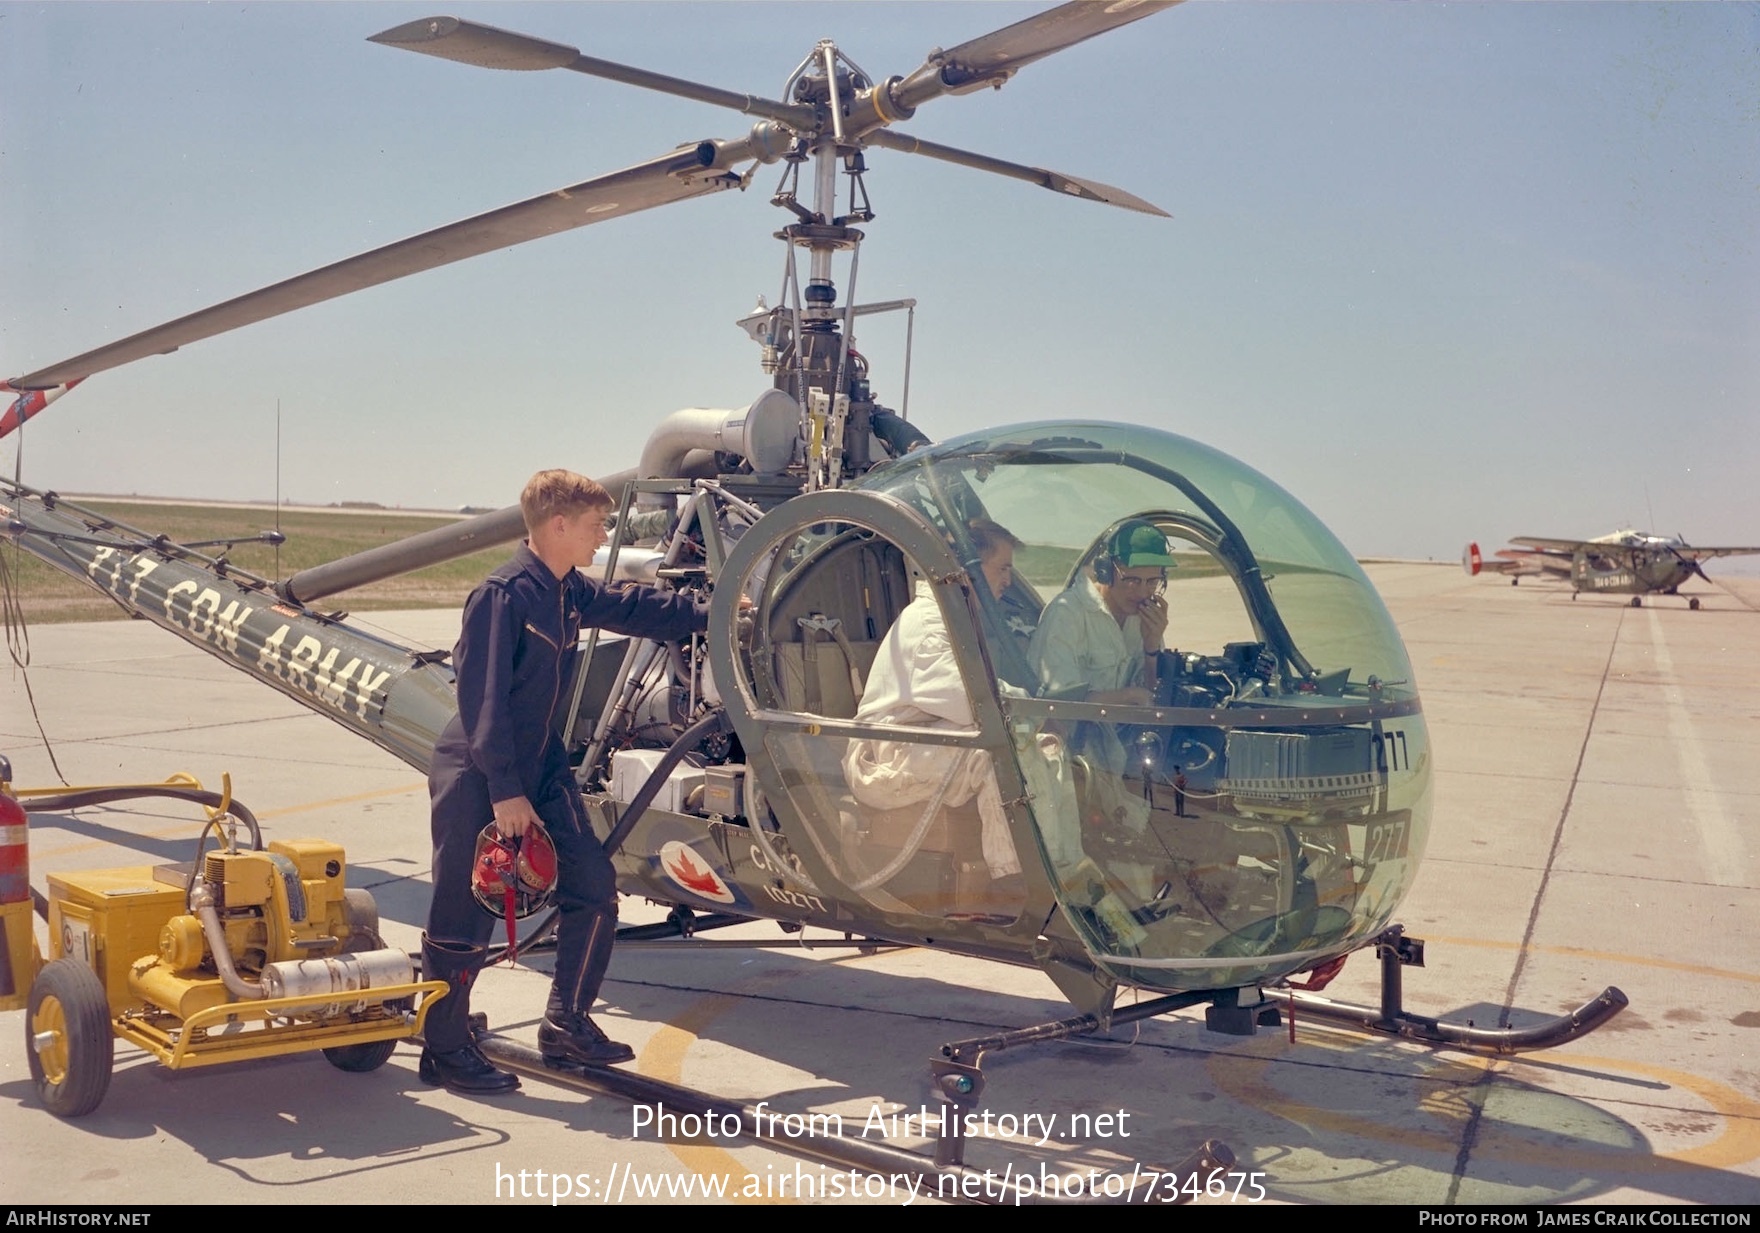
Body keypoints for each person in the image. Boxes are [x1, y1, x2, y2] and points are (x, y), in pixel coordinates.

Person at [422, 469, 709, 1095]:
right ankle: (444, 1048)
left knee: (593, 886)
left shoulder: (564, 589)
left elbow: (632, 606)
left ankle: (567, 1022)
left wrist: (707, 613)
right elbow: (484, 701)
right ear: (557, 526)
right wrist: (504, 790)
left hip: (540, 765)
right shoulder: (502, 597)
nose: (603, 537)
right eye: (594, 526)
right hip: (481, 770)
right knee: (464, 907)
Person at [841, 519, 1025, 894]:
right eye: (1002, 568)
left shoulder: (953, 616)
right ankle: (1014, 879)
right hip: (887, 759)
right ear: (969, 570)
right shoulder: (930, 624)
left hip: (917, 744)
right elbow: (974, 703)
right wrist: (1027, 704)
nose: (1009, 579)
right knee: (995, 754)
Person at [1026, 519, 1176, 830]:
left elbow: (1154, 697)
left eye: (1152, 582)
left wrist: (1151, 649)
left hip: (1126, 751)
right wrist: (1128, 697)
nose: (1143, 592)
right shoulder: (1067, 614)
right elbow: (1056, 705)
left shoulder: (1143, 620)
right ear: (1106, 571)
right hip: (1075, 756)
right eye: (1133, 580)